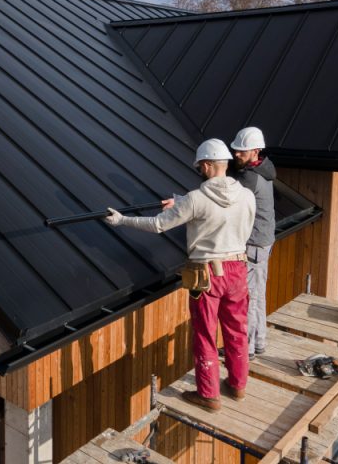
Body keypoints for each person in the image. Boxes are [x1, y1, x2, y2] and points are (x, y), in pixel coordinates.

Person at [105, 139, 255, 411]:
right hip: (238, 270)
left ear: (208, 165)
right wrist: (182, 202)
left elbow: (158, 224)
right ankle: (238, 385)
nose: (199, 170)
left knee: (206, 333)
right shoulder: (246, 195)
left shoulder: (197, 199)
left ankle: (208, 394)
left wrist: (122, 221)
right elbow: (221, 212)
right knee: (237, 330)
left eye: (200, 167)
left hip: (208, 273)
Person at [230, 127, 276, 361]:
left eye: (242, 150)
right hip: (263, 241)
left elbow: (227, 198)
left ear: (256, 151)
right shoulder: (265, 170)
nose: (236, 154)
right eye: (236, 149)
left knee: (248, 297)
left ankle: (245, 350)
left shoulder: (249, 178)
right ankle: (258, 343)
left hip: (255, 243)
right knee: (258, 294)